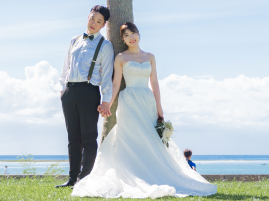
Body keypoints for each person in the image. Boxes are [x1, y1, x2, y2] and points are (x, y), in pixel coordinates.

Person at [72, 22, 217, 198]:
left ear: (139, 34)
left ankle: (152, 172)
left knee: (150, 139)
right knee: (131, 138)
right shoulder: (121, 58)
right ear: (123, 39)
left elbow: (154, 83)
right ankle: (134, 174)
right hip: (129, 101)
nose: (131, 38)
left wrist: (159, 107)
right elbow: (116, 83)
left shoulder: (150, 57)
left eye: (133, 33)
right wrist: (108, 103)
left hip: (147, 100)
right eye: (126, 35)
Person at [56, 5, 115, 188]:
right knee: (73, 137)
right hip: (69, 91)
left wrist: (106, 100)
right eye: (92, 19)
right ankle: (72, 178)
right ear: (88, 17)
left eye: (99, 22)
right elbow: (66, 66)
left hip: (89, 91)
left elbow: (106, 75)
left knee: (88, 137)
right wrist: (63, 88)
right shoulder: (74, 40)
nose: (94, 24)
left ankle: (85, 179)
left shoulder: (105, 45)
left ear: (103, 25)